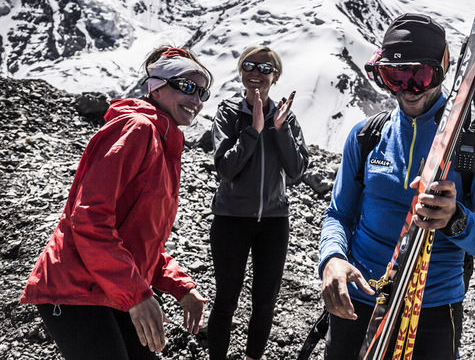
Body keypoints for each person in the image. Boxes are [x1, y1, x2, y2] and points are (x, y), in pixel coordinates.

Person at [318, 13, 475, 360]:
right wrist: (332, 258)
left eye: (420, 76)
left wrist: (457, 220)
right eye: (394, 76)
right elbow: (339, 213)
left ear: (441, 70)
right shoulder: (367, 137)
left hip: (433, 311)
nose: (406, 89)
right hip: (359, 299)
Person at [20, 46, 212, 359]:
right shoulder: (137, 129)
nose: (197, 100)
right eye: (187, 88)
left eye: (202, 92)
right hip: (75, 287)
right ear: (157, 86)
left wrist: (180, 286)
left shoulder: (165, 143)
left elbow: (138, 239)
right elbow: (89, 218)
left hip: (112, 285)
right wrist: (138, 296)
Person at [208, 45, 309, 360]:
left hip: (274, 222)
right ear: (241, 71)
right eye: (249, 66)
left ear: (275, 76)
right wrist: (253, 130)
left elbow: (296, 169)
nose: (256, 73)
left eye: (265, 69)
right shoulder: (228, 112)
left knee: (265, 302)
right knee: (226, 299)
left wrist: (279, 130)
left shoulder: (285, 117)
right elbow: (225, 168)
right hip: (231, 220)